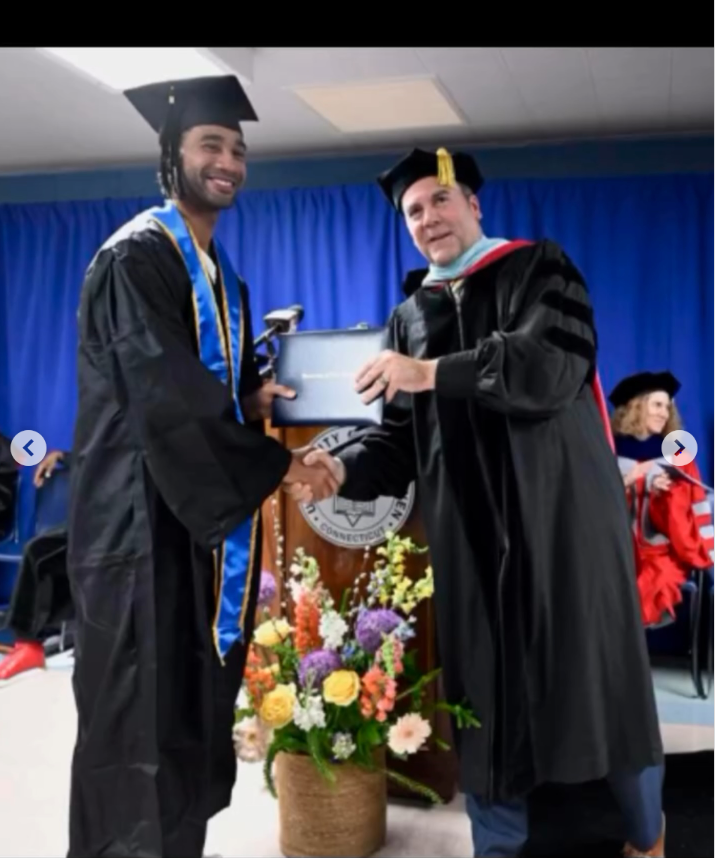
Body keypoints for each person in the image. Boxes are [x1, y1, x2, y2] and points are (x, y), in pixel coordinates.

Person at [290, 148, 666, 857]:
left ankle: (646, 831)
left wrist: (430, 372)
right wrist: (338, 468)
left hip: (563, 524)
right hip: (470, 538)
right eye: (413, 211)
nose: (428, 218)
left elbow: (546, 368)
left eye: (440, 199)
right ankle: (497, 848)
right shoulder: (409, 318)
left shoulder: (539, 269)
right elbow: (398, 440)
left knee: (598, 679)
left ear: (473, 205)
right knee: (485, 699)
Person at [66, 75, 337, 858]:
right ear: (171, 157)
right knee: (137, 729)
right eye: (210, 145)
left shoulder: (223, 276)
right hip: (137, 533)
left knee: (185, 722)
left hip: (190, 534)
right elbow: (163, 395)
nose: (228, 162)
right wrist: (278, 467)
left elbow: (202, 387)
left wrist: (251, 398)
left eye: (238, 150)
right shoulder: (136, 256)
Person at [610, 370, 714, 627]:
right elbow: (592, 508)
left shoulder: (678, 456)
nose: (664, 414)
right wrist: (628, 480)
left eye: (667, 407)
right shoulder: (608, 451)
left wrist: (665, 495)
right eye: (657, 405)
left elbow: (687, 518)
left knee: (648, 587)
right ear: (636, 407)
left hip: (661, 554)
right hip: (615, 550)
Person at [0, 449, 73, 681]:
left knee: (40, 552)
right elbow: (91, 457)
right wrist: (62, 456)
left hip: (118, 519)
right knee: (39, 550)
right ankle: (27, 644)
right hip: (91, 515)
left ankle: (28, 643)